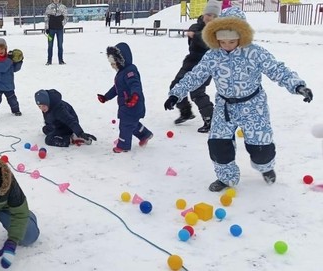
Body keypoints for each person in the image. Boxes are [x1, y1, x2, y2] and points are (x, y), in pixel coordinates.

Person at [164, 7, 313, 192]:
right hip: (224, 107)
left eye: (232, 41)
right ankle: (227, 178)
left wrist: (298, 86)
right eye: (222, 40)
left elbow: (277, 70)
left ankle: (265, 167)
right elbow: (195, 76)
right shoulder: (213, 56)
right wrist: (175, 93)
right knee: (218, 145)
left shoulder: (255, 53)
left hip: (253, 106)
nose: (226, 45)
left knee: (261, 149)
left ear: (241, 36)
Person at [168, 0, 220, 133]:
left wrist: (196, 36)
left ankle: (210, 119)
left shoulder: (218, 31)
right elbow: (194, 32)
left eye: (213, 16)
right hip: (190, 62)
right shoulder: (196, 26)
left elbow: (208, 42)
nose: (210, 18)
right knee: (175, 86)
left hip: (206, 65)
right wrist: (197, 35)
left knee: (197, 92)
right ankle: (186, 111)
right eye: (208, 14)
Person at [98, 42, 153, 153]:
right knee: (132, 123)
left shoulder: (130, 72)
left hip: (132, 104)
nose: (112, 66)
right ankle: (145, 134)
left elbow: (135, 85)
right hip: (127, 105)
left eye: (114, 63)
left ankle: (123, 145)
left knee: (125, 126)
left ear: (121, 61)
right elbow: (116, 88)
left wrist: (134, 97)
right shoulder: (122, 72)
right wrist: (106, 97)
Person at [0, 38, 24, 122]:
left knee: (12, 98)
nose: (0, 51)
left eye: (2, 48)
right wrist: (10, 59)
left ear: (5, 48)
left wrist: (19, 61)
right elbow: (3, 67)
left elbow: (14, 69)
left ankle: (15, 110)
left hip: (8, 82)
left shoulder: (8, 58)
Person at [44, 0, 68, 65]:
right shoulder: (49, 7)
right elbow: (46, 18)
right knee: (50, 45)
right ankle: (49, 60)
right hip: (51, 29)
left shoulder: (63, 7)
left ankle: (61, 60)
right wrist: (47, 28)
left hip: (59, 29)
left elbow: (66, 17)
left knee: (60, 45)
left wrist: (61, 23)